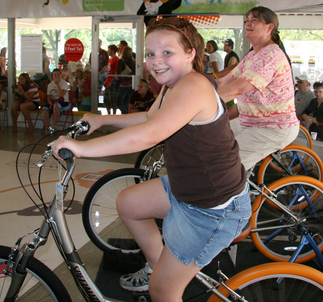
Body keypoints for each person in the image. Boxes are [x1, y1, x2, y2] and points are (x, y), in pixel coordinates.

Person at [50, 17, 250, 301]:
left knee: (163, 291)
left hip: (213, 207)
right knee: (129, 203)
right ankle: (159, 266)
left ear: (191, 52)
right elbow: (148, 117)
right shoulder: (173, 84)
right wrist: (100, 120)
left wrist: (83, 147)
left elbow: (149, 133)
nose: (156, 61)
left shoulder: (194, 86)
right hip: (190, 190)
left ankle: (162, 279)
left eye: (167, 52)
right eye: (150, 53)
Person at [216, 7, 300, 171]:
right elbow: (223, 82)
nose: (248, 23)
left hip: (272, 127)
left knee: (226, 166)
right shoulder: (253, 55)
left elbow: (238, 88)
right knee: (212, 136)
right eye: (247, 20)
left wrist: (200, 103)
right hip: (251, 120)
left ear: (270, 28)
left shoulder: (271, 55)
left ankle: (237, 192)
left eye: (254, 20)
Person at [117, 46, 135, 114]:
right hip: (131, 85)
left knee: (119, 103)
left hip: (123, 85)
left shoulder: (121, 61)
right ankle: (126, 117)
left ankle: (126, 114)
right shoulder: (133, 62)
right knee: (127, 103)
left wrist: (120, 78)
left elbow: (118, 73)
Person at [104, 45, 119, 114]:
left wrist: (111, 82)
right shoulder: (109, 60)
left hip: (113, 83)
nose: (108, 52)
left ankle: (114, 113)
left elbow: (116, 72)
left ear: (113, 51)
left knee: (113, 99)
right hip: (108, 82)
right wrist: (106, 81)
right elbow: (108, 71)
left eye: (109, 50)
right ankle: (108, 113)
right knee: (106, 99)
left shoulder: (116, 60)